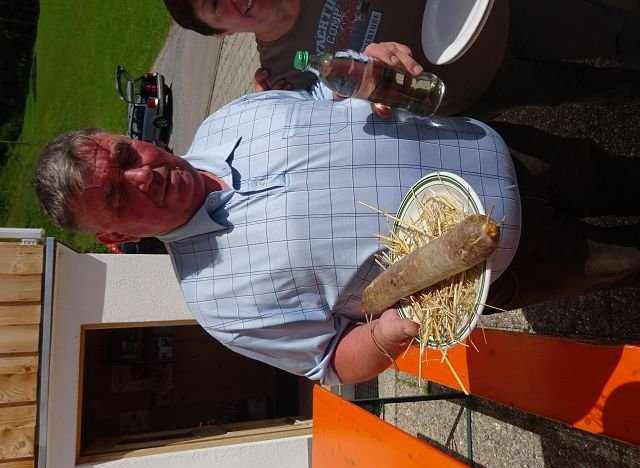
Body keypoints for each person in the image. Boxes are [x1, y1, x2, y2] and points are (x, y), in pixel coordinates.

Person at [33, 89, 640, 385]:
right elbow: (332, 363)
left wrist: (372, 76)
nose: (144, 174)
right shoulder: (220, 303)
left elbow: (332, 94)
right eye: (119, 195)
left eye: (126, 154)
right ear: (115, 236)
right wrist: (392, 331)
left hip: (494, 148)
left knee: (616, 173)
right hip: (509, 260)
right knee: (628, 260)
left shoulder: (230, 118)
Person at [162, 0, 640, 118]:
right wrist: (286, 111)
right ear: (220, 32)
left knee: (608, 31)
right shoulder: (284, 74)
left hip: (498, 14)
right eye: (215, 4)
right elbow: (348, 129)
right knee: (572, 90)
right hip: (467, 89)